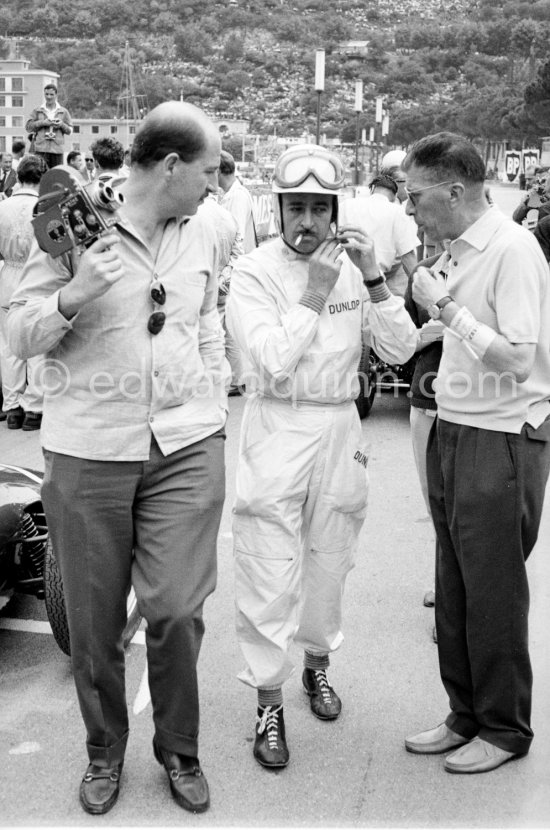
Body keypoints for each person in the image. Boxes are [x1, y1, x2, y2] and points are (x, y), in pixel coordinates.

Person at [8, 101, 229, 815]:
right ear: (170, 166)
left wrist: (215, 404)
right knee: (96, 624)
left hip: (186, 445)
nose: (215, 184)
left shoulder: (209, 231)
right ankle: (104, 752)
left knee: (176, 610)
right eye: (208, 170)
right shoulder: (72, 226)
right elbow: (21, 335)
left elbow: (208, 321)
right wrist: (73, 295)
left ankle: (179, 749)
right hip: (90, 449)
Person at [226, 143, 418, 770]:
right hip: (277, 424)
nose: (307, 222)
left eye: (318, 208)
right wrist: (312, 294)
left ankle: (316, 666)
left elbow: (398, 351)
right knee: (267, 562)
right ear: (277, 210)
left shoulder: (353, 269)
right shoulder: (254, 273)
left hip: (338, 424)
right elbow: (271, 361)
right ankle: (267, 700)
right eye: (296, 208)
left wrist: (372, 279)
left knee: (331, 559)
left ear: (335, 210)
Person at [402, 131, 550, 774]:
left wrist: (449, 311)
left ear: (454, 190)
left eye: (415, 196)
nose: (409, 209)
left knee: (492, 588)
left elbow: (520, 358)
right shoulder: (457, 250)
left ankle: (504, 726)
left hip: (503, 433)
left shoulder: (513, 250)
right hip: (456, 425)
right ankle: (465, 713)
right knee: (454, 585)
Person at [0, 154, 48, 430]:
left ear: (18, 178)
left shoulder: (3, 206)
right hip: (36, 275)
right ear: (42, 179)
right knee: (37, 345)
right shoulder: (43, 208)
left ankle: (12, 405)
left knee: (8, 346)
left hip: (8, 272)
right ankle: (34, 407)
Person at [339, 171, 419, 298]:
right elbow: (409, 258)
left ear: (372, 190)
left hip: (342, 282)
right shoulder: (398, 212)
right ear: (394, 196)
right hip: (374, 283)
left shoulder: (346, 205)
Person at [25, 83, 73, 169]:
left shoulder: (64, 111)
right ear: (44, 94)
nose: (49, 97)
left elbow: (70, 131)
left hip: (57, 150)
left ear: (56, 95)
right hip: (40, 150)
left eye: (51, 94)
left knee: (56, 176)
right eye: (46, 94)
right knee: (40, 175)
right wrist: (43, 123)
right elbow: (28, 127)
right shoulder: (37, 110)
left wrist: (61, 124)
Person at [218, 150, 257, 253]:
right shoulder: (231, 194)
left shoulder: (238, 196)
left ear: (218, 171)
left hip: (238, 265)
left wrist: (230, 268)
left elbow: (238, 239)